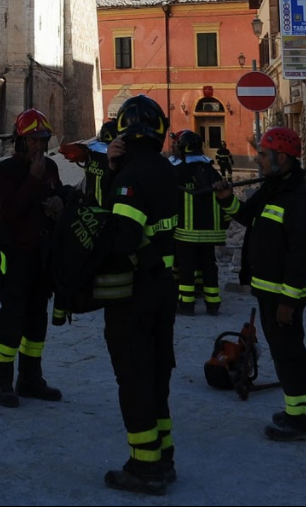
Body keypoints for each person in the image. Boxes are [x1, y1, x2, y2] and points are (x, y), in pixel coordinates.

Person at [94, 95, 182, 493]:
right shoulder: (167, 170)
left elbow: (125, 236)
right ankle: (164, 457)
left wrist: (113, 177)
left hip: (137, 293)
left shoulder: (131, 178)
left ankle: (144, 467)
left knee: (134, 375)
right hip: (165, 287)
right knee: (158, 372)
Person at [219, 126, 306, 441]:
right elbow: (246, 215)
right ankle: (305, 411)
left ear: (282, 157)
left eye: (263, 154)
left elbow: (301, 256)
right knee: (285, 353)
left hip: (282, 297)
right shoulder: (272, 188)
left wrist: (289, 302)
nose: (258, 159)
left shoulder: (300, 200)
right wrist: (226, 200)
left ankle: (300, 421)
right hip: (267, 291)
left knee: (289, 355)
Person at [0, 107, 68, 407]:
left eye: (42, 140)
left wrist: (59, 202)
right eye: (33, 140)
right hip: (15, 258)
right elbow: (9, 210)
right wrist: (33, 180)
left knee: (36, 322)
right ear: (20, 141)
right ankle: (1, 381)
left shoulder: (50, 168)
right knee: (11, 322)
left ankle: (30, 378)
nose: (38, 146)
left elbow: (56, 194)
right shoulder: (6, 171)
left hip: (41, 258)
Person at [170, 130, 229, 316]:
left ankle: (186, 305)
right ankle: (213, 304)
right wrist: (224, 223)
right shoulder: (212, 172)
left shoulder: (178, 172)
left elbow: (169, 202)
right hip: (210, 234)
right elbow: (224, 200)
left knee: (187, 268)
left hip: (186, 233)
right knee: (209, 266)